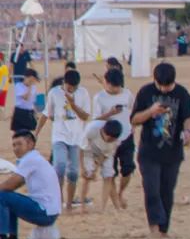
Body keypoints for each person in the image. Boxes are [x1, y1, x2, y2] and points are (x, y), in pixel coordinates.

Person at [131, 62, 190, 238]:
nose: (165, 89)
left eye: (168, 86)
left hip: (173, 152)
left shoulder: (182, 94)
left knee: (167, 191)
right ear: (155, 81)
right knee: (151, 188)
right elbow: (135, 119)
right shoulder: (146, 92)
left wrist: (188, 132)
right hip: (149, 152)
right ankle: (154, 228)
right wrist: (151, 111)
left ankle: (164, 229)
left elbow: (188, 117)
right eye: (161, 86)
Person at [37, 69, 91, 213]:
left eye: (74, 88)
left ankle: (68, 203)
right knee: (59, 167)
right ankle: (58, 200)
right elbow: (46, 114)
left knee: (73, 172)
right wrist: (36, 133)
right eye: (69, 87)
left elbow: (86, 116)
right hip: (59, 136)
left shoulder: (83, 93)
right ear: (64, 83)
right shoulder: (54, 93)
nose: (71, 90)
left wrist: (73, 105)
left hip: (76, 138)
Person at [0, 130, 62, 239]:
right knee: (8, 196)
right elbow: (15, 184)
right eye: (14, 145)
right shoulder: (35, 158)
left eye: (19, 144)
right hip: (50, 211)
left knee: (2, 196)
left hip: (44, 212)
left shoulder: (29, 159)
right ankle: (12, 237)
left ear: (30, 144)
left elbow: (13, 183)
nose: (16, 148)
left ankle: (2, 238)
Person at [92, 68, 135, 210]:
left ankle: (121, 192)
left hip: (126, 136)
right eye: (111, 86)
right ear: (106, 83)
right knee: (110, 172)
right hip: (108, 139)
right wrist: (110, 113)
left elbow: (133, 111)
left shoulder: (127, 94)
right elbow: (95, 119)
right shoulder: (99, 98)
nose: (114, 89)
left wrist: (133, 126)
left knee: (128, 168)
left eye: (117, 86)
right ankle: (116, 203)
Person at [77, 119, 123, 213]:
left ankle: (103, 208)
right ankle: (82, 206)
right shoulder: (91, 129)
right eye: (109, 138)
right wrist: (83, 168)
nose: (110, 140)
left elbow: (105, 155)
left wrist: (96, 168)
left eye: (112, 139)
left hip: (104, 154)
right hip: (89, 151)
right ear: (103, 131)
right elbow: (81, 149)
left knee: (108, 176)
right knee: (87, 176)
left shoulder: (116, 140)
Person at [10, 68, 39, 133]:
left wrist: (36, 113)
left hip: (29, 112)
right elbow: (26, 97)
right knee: (18, 133)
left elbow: (33, 101)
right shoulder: (18, 86)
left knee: (28, 133)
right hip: (20, 111)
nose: (33, 81)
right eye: (32, 79)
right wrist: (30, 87)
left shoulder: (34, 87)